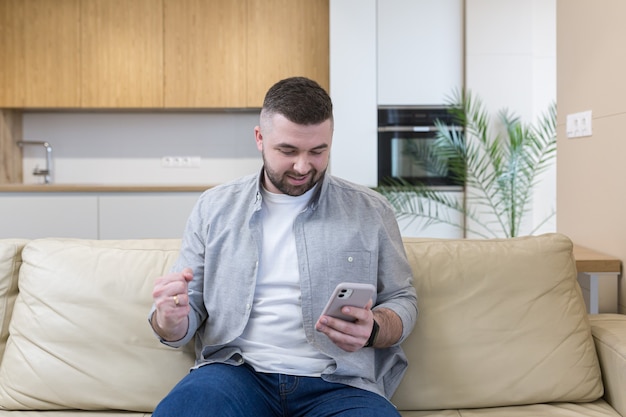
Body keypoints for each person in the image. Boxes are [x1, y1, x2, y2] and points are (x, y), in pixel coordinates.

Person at [149, 76, 418, 417]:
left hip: (340, 384)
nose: (303, 166)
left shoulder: (370, 210)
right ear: (260, 138)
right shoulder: (214, 207)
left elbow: (403, 299)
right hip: (236, 374)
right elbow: (185, 314)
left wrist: (374, 328)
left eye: (318, 151)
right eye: (288, 151)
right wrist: (170, 321)